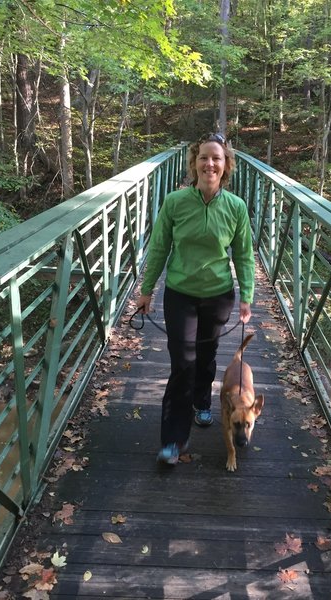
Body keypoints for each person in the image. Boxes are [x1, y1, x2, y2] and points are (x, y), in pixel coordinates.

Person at [136, 132, 255, 464]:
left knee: (206, 357)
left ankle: (203, 402)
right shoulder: (175, 202)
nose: (210, 164)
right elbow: (159, 246)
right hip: (180, 294)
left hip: (218, 295)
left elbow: (244, 255)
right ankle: (173, 441)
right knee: (182, 364)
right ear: (194, 163)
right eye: (204, 157)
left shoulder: (236, 207)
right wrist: (147, 291)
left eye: (216, 158)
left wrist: (247, 295)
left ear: (225, 165)